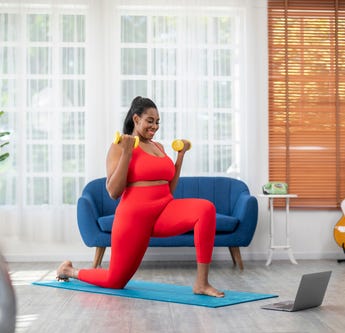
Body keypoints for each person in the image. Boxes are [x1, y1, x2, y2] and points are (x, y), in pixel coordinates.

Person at [56, 96, 224, 298]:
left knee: (205, 209)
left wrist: (180, 157)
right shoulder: (119, 146)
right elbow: (113, 192)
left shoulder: (159, 147)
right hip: (134, 218)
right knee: (115, 281)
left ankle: (201, 283)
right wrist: (127, 152)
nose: (154, 126)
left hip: (164, 209)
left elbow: (169, 189)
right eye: (150, 121)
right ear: (136, 119)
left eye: (157, 122)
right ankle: (69, 271)